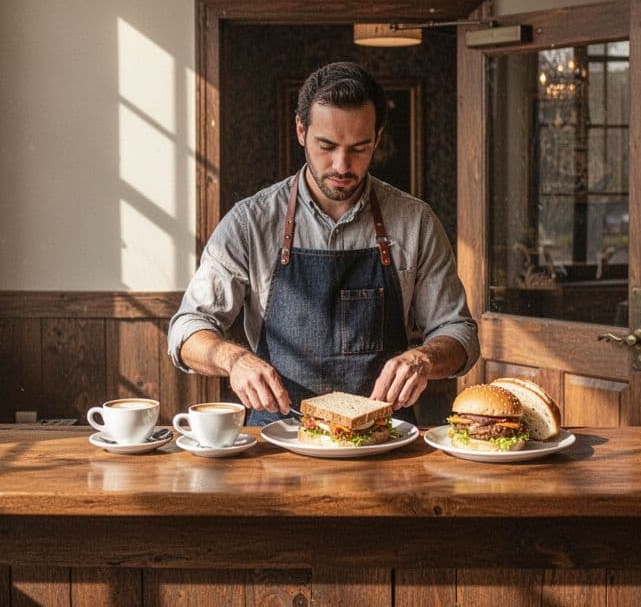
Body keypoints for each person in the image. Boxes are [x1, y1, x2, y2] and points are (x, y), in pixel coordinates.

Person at [167, 62, 479, 426]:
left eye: (359, 148)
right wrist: (234, 360)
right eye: (326, 146)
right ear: (301, 130)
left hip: (383, 438)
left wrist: (423, 360)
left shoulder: (416, 222)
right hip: (277, 441)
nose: (342, 165)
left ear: (378, 138)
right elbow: (187, 328)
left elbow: (460, 334)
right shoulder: (250, 222)